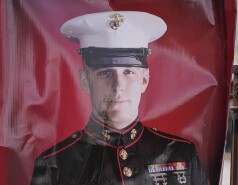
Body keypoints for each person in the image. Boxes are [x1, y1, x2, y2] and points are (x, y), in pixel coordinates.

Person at [30, 11, 207, 185]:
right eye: (106, 73)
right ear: (85, 81)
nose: (118, 86)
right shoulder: (54, 165)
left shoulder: (181, 154)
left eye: (128, 72)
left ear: (144, 80)